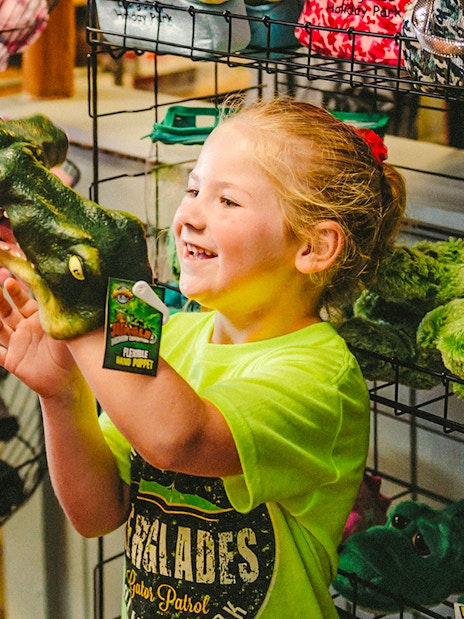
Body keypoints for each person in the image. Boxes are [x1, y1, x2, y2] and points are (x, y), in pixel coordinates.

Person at [0, 98, 406, 618]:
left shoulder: (320, 376)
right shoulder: (169, 335)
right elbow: (97, 513)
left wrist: (81, 304)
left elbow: (177, 438)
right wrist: (62, 396)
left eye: (227, 202)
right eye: (193, 190)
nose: (189, 214)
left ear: (313, 246)